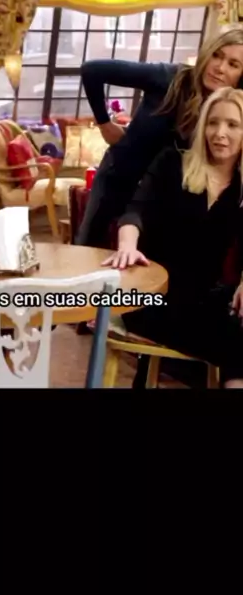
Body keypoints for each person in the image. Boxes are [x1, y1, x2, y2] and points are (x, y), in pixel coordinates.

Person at [103, 86, 243, 388]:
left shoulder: (241, 187)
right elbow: (135, 211)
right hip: (152, 294)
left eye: (232, 125)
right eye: (213, 122)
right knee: (236, 342)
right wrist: (127, 245)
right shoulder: (172, 163)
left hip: (206, 300)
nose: (220, 133)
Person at [76, 25, 243, 249]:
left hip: (160, 199)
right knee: (90, 252)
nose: (220, 68)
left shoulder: (230, 109)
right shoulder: (170, 77)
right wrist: (104, 124)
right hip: (118, 182)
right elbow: (92, 70)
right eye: (216, 55)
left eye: (233, 64)